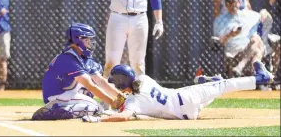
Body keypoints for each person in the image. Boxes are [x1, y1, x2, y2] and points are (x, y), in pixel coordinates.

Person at [81, 62, 273, 122]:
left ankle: (213, 83)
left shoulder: (133, 103)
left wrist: (101, 118)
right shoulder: (144, 80)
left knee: (213, 91)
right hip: (185, 96)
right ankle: (260, 78)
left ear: (121, 84)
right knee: (224, 86)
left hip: (188, 115)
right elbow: (134, 92)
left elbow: (124, 116)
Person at [32, 23, 125, 120]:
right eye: (87, 39)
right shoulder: (69, 58)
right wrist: (112, 102)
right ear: (78, 39)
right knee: (97, 109)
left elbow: (100, 81)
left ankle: (63, 108)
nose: (90, 42)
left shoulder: (83, 58)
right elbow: (90, 85)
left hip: (67, 93)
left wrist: (119, 96)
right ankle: (52, 112)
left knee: (91, 95)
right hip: (56, 95)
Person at [213, 0, 267, 77]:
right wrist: (230, 35)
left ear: (239, 2)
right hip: (233, 55)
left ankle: (245, 71)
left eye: (233, 1)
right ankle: (256, 79)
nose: (230, 4)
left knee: (256, 40)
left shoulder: (247, 15)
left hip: (247, 52)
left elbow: (263, 15)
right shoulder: (220, 20)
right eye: (228, 2)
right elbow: (216, 45)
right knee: (257, 49)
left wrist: (264, 14)